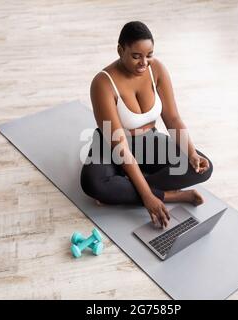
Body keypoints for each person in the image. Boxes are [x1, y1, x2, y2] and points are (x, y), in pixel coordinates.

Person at [80, 21, 213, 228]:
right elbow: (119, 146)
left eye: (149, 55)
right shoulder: (103, 83)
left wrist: (192, 153)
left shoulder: (157, 69)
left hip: (148, 141)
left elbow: (173, 119)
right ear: (120, 50)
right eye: (136, 56)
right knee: (93, 184)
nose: (144, 62)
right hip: (111, 144)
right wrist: (148, 198)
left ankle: (121, 190)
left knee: (203, 167)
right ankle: (171, 196)